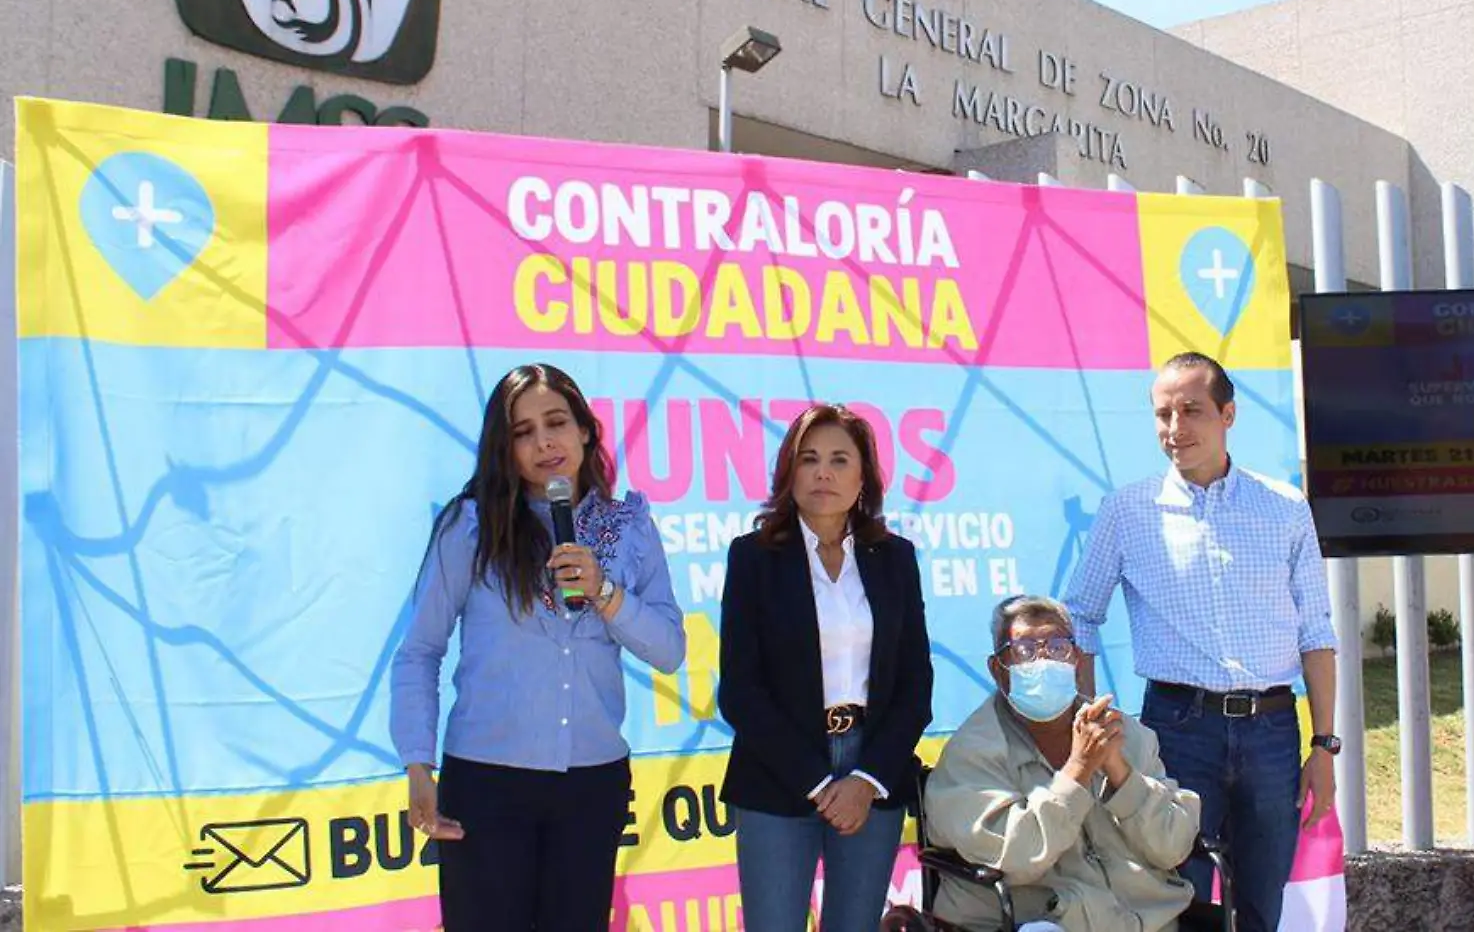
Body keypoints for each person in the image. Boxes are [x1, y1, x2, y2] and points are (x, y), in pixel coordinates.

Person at [390, 363, 688, 930]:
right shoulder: (472, 528)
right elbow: (420, 650)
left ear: (585, 430)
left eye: (556, 422)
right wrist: (417, 765)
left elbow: (669, 650)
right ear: (505, 449)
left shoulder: (628, 528)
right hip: (487, 781)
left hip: (591, 783)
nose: (544, 442)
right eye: (523, 432)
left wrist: (604, 590)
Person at [1065, 351, 1337, 932]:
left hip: (1272, 732)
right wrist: (1087, 712)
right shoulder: (1128, 510)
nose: (1175, 429)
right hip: (1178, 730)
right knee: (1173, 898)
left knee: (1262, 899)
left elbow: (1316, 630)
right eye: (1163, 414)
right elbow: (1080, 616)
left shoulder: (1284, 509)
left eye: (1191, 410)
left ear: (1228, 414)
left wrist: (1325, 746)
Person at [717, 403, 934, 932]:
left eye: (840, 459)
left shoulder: (895, 557)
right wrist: (817, 782)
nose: (823, 472)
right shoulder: (753, 557)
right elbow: (740, 690)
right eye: (808, 459)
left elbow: (914, 683)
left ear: (864, 476)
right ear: (788, 472)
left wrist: (865, 779)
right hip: (778, 772)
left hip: (871, 771)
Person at [921, 595, 1205, 932]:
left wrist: (1119, 773)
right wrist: (1078, 770)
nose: (1043, 659)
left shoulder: (1125, 733)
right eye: (1025, 648)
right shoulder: (972, 753)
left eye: (1058, 646)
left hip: (1142, 920)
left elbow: (1172, 848)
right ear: (999, 669)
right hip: (1035, 921)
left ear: (1078, 662)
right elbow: (1021, 857)